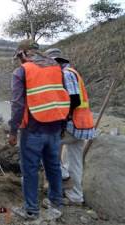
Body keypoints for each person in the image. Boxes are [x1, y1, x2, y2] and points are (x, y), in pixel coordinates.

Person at [8, 40, 70, 220]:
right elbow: (64, 97)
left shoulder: (22, 71)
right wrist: (63, 125)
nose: (20, 61)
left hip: (33, 130)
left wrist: (13, 131)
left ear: (23, 54)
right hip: (55, 128)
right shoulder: (56, 68)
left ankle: (31, 210)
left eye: (19, 57)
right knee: (53, 166)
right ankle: (55, 203)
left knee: (30, 170)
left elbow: (17, 104)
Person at [45, 48, 95, 206]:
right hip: (82, 126)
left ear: (56, 62)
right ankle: (76, 196)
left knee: (44, 145)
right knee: (75, 162)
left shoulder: (66, 74)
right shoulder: (72, 72)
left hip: (73, 125)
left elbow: (74, 100)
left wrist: (62, 121)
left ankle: (63, 175)